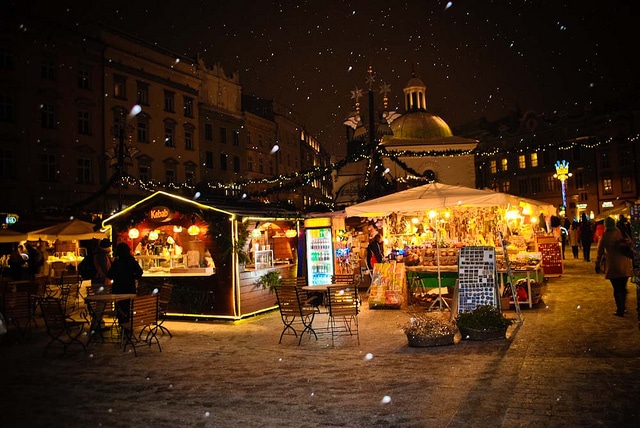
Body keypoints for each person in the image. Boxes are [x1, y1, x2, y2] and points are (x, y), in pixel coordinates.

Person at [595, 217, 634, 317]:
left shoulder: (604, 236)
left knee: (617, 289)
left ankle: (620, 308)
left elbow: (600, 252)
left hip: (613, 265)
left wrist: (597, 264)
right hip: (624, 264)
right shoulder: (621, 233)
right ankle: (623, 306)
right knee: (623, 286)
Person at [107, 242, 143, 324]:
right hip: (129, 288)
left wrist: (117, 277)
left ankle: (121, 323)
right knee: (128, 307)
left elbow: (109, 274)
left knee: (120, 307)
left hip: (118, 288)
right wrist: (133, 278)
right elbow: (139, 272)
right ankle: (127, 324)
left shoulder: (117, 262)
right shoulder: (131, 260)